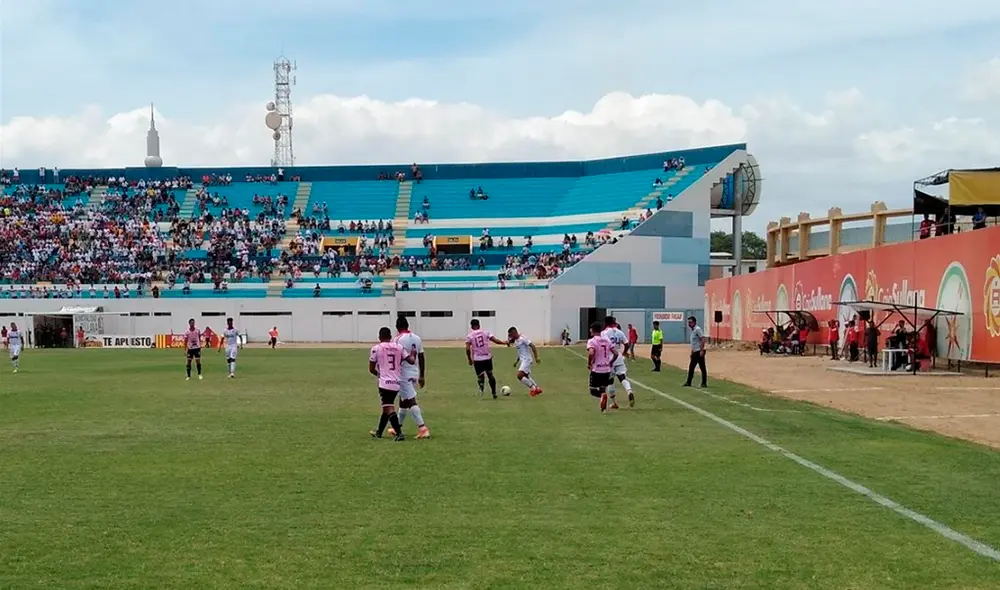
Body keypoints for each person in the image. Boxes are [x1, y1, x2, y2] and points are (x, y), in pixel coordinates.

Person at [368, 327, 415, 441]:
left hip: (385, 383)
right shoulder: (399, 347)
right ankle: (379, 432)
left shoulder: (376, 348)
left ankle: (399, 433)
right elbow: (411, 360)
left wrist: (380, 375)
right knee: (386, 407)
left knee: (389, 407)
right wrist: (413, 352)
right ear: (390, 337)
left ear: (379, 337)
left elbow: (371, 368)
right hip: (396, 382)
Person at [387, 316, 430, 439]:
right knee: (403, 400)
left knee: (410, 400)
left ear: (397, 327)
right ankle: (397, 427)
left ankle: (422, 428)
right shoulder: (417, 338)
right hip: (415, 371)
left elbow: (395, 357)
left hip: (403, 372)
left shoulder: (397, 340)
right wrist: (422, 375)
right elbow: (421, 357)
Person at [465, 319, 506, 399]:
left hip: (477, 359)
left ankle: (481, 391)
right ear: (479, 325)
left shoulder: (469, 336)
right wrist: (504, 343)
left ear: (471, 326)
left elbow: (467, 349)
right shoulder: (486, 333)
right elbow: (495, 341)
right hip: (487, 357)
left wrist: (469, 359)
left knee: (480, 376)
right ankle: (494, 393)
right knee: (490, 375)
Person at [602, 316, 634, 408]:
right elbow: (627, 344)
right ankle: (629, 391)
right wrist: (624, 352)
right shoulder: (620, 332)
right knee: (622, 377)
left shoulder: (604, 333)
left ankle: (614, 403)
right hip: (619, 358)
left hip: (609, 360)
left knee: (610, 381)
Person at [587, 322, 618, 413]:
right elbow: (616, 353)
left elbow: (591, 352)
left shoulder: (592, 341)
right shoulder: (607, 340)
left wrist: (589, 363)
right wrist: (611, 362)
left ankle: (602, 396)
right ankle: (603, 409)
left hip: (597, 369)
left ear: (592, 330)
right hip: (606, 369)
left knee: (593, 390)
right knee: (603, 389)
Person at [507, 326, 542, 397]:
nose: (510, 337)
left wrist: (536, 357)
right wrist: (516, 361)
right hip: (523, 360)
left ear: (514, 333)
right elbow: (520, 352)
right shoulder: (516, 341)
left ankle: (533, 389)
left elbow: (532, 346)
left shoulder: (522, 338)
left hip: (527, 360)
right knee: (526, 376)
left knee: (519, 375)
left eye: (511, 335)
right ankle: (537, 388)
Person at [683, 316, 707, 387]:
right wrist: (691, 352)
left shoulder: (697, 329)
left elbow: (703, 339)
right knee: (691, 367)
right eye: (688, 322)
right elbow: (694, 343)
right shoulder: (693, 330)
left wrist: (702, 350)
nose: (689, 324)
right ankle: (689, 382)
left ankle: (703, 383)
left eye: (690, 322)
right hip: (694, 352)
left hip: (698, 351)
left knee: (702, 367)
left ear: (694, 322)